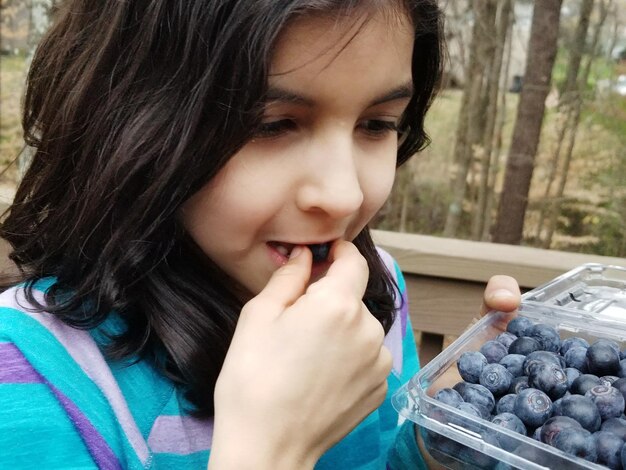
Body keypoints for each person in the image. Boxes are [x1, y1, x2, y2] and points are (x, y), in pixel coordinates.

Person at [0, 0, 521, 468]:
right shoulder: (31, 382)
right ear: (133, 124)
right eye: (272, 125)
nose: (343, 195)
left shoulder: (373, 292)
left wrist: (448, 427)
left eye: (377, 124)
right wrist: (270, 451)